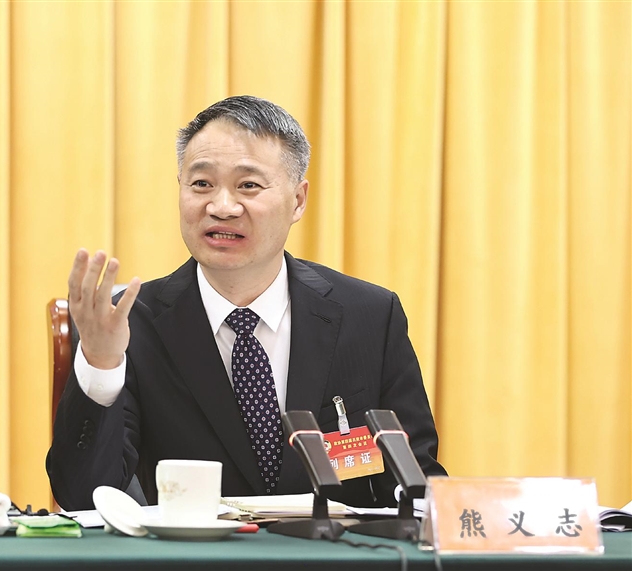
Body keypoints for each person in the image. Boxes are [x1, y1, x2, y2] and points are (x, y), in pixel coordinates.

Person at [47, 95, 446, 511]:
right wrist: (101, 364)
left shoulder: (369, 316)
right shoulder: (129, 324)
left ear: (298, 200)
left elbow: (416, 485)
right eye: (201, 184)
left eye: (248, 186)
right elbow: (84, 497)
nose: (222, 207)